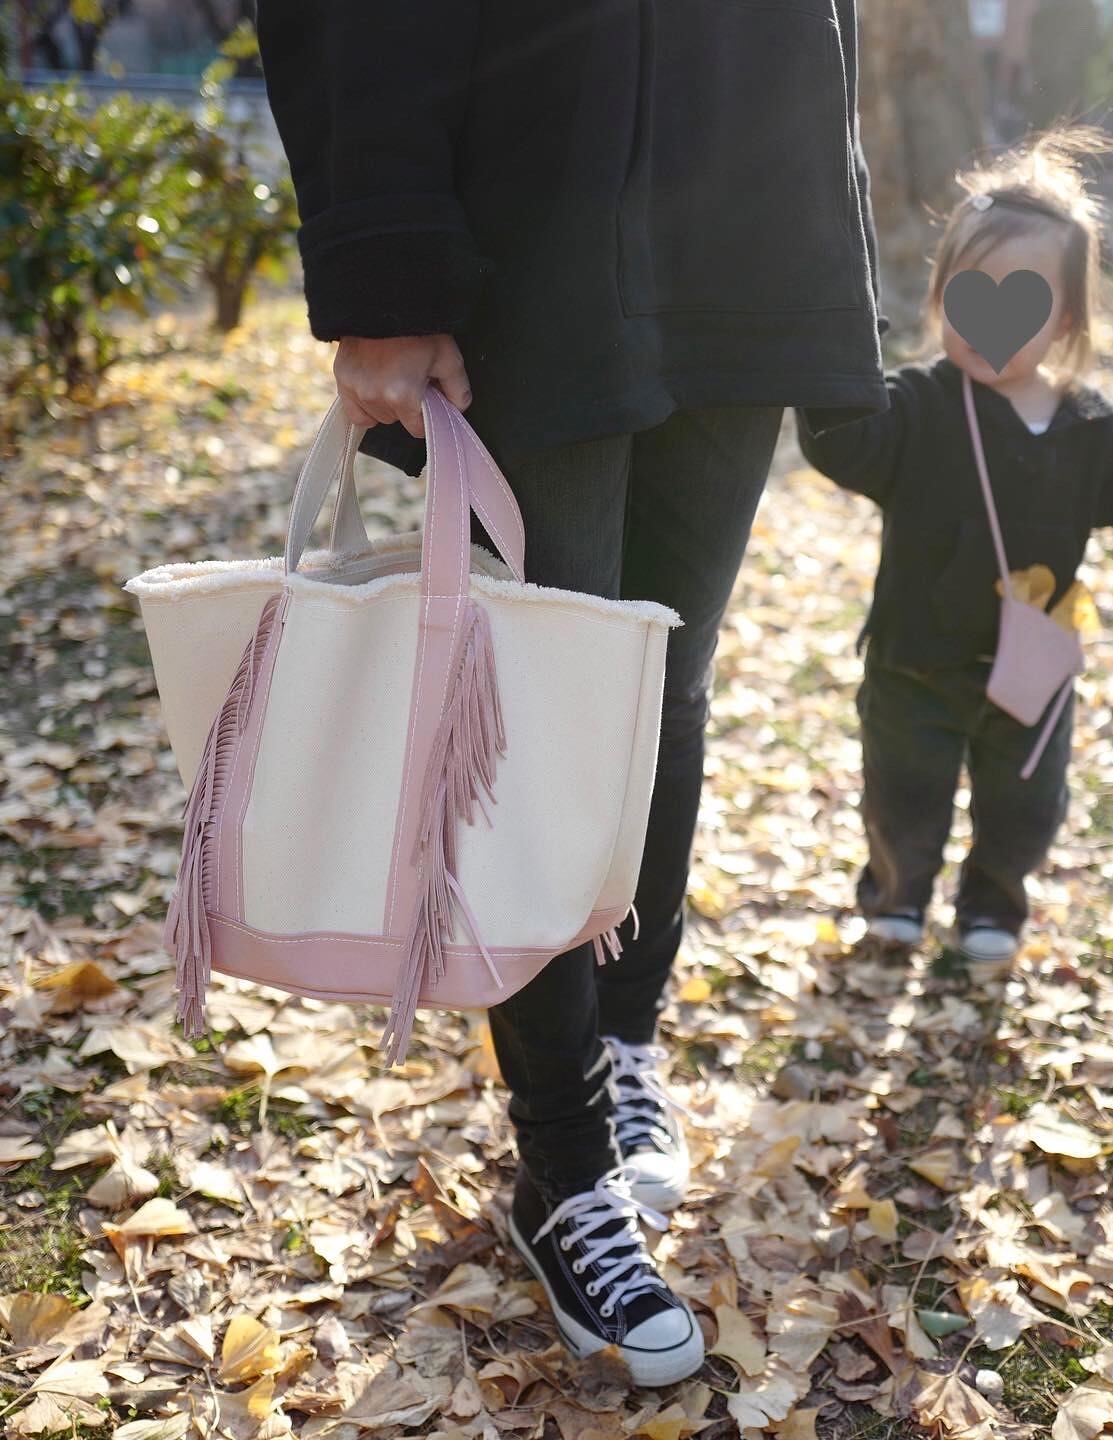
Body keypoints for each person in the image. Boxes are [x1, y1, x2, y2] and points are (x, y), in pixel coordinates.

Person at [254, 1, 885, 1389]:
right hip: (529, 202)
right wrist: (381, 270)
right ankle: (565, 1168)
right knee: (540, 708)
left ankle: (626, 1036)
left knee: (660, 685)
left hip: (747, 203)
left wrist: (831, 227)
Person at [798, 127, 1113, 970]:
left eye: (1020, 296)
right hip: (916, 657)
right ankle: (897, 895)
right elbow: (843, 443)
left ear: (1063, 318)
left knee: (1024, 802)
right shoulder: (914, 405)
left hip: (1030, 665)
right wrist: (833, 356)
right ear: (942, 293)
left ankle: (993, 903)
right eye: (968, 290)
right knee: (902, 791)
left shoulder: (1086, 427)